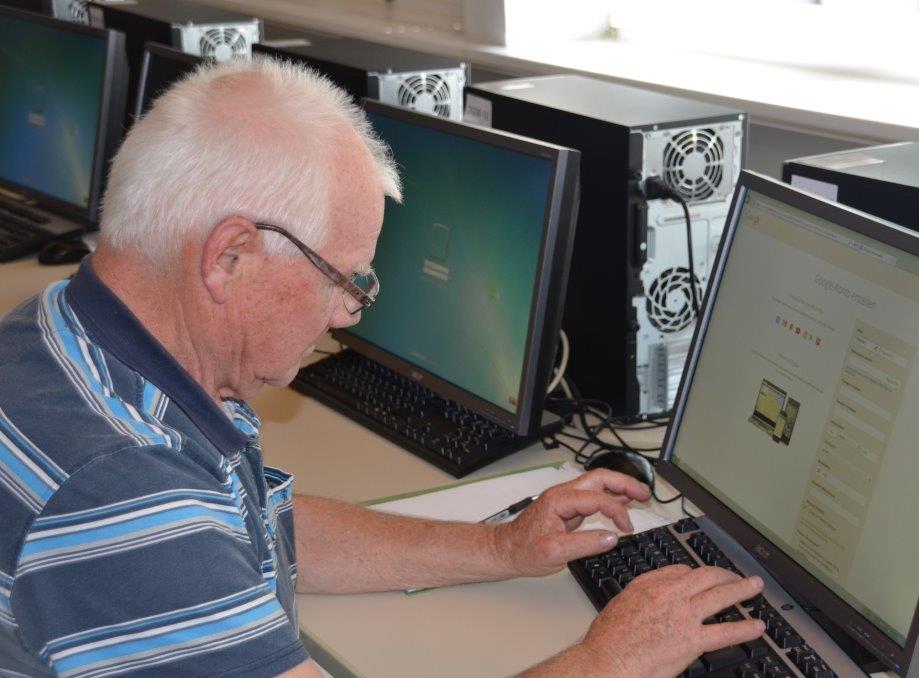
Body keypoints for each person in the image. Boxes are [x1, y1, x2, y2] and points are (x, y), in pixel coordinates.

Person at [0, 57, 764, 677]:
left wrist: (499, 548)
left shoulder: (65, 328)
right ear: (229, 257)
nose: (345, 315)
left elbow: (252, 532)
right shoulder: (127, 490)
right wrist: (609, 662)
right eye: (343, 278)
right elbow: (179, 536)